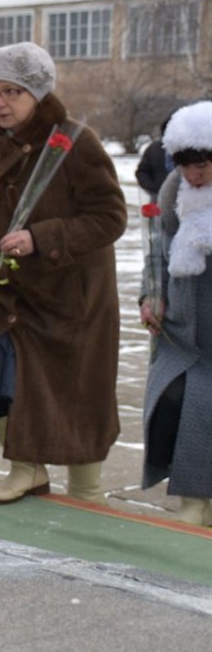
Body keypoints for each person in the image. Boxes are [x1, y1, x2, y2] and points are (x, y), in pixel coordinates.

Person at [0, 42, 125, 505]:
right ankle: (25, 468)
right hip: (0, 292)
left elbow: (110, 216)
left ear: (38, 92)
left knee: (77, 395)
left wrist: (41, 238)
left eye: (12, 91)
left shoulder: (74, 141)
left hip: (70, 297)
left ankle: (88, 489)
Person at [139, 100, 212, 526]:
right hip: (179, 336)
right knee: (173, 411)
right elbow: (157, 257)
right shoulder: (172, 194)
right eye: (184, 161)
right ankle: (191, 509)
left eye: (202, 162)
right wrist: (150, 298)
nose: (193, 172)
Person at [135, 110, 176, 201]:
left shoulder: (194, 151)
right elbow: (142, 172)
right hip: (158, 201)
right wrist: (152, 187)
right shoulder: (154, 149)